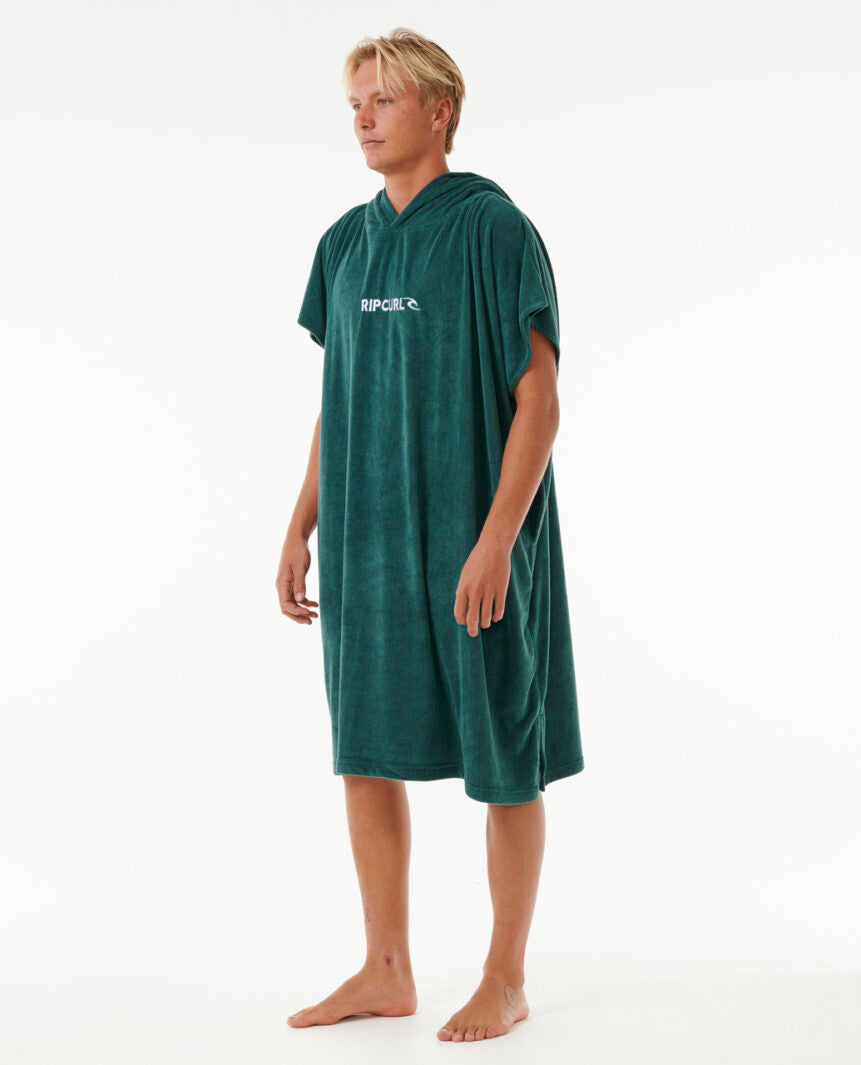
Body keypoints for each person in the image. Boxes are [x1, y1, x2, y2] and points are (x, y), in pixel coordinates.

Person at [276, 27, 585, 1042]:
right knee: (364, 746)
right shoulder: (344, 245)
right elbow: (338, 397)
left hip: (471, 537)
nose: (363, 119)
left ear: (439, 110)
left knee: (505, 750)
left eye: (383, 100)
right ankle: (385, 967)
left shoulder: (494, 229)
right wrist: (300, 524)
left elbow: (539, 399)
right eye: (354, 103)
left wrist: (497, 540)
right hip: (364, 537)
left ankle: (505, 976)